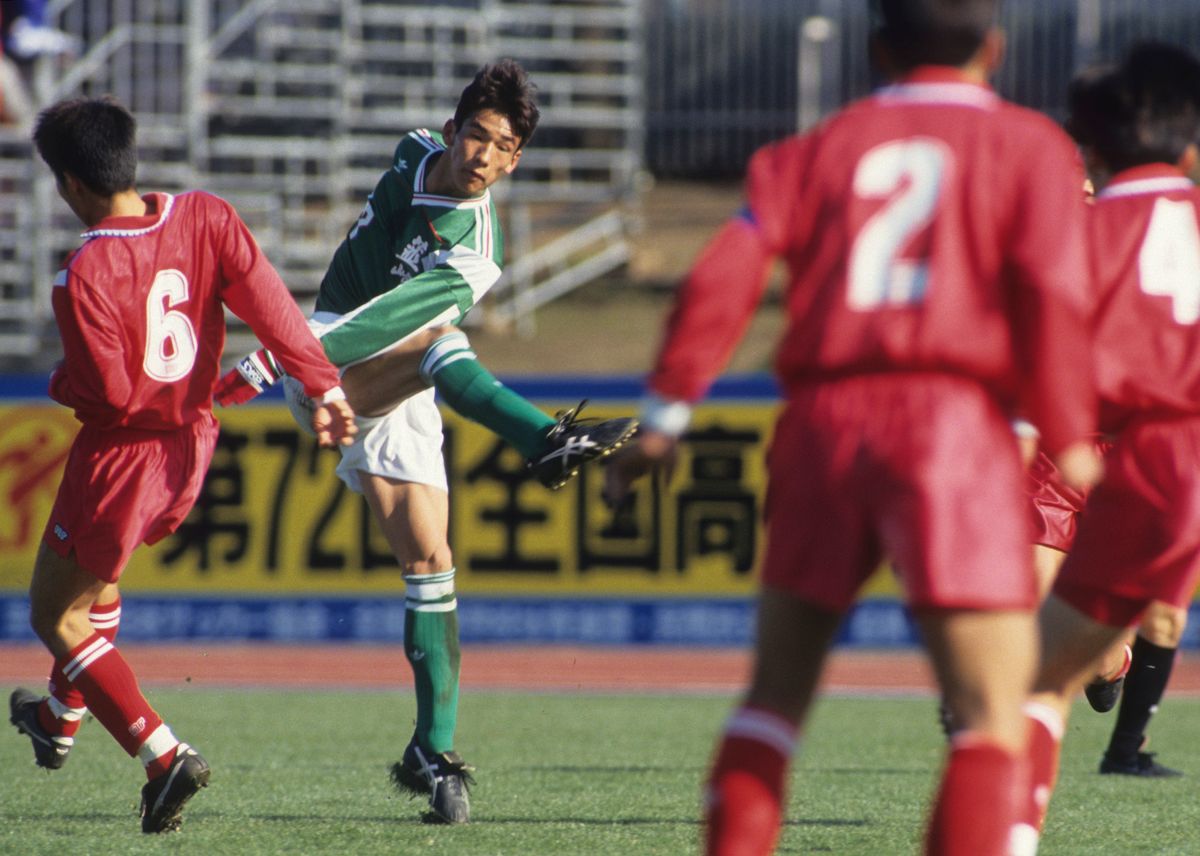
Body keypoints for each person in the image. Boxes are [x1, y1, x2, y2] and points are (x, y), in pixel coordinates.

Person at [605, 1, 1102, 853]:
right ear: (994, 48)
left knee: (774, 701)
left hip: (825, 421)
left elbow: (726, 272)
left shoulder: (814, 150)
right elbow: (1053, 299)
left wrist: (666, 411)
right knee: (990, 714)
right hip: (953, 426)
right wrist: (1073, 435)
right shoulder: (1032, 149)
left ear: (876, 49)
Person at [217, 59, 635, 825]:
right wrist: (282, 356)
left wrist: (272, 355)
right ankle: (543, 438)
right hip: (328, 357)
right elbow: (374, 319)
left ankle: (430, 751)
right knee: (442, 341)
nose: (484, 154)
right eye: (476, 133)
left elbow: (399, 313)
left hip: (392, 377)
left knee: (432, 565)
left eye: (503, 146)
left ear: (516, 161)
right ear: (451, 131)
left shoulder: (479, 249)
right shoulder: (413, 152)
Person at [7, 95, 356, 834]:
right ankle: (60, 716)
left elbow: (107, 396)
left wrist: (60, 383)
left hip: (121, 461)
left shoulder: (83, 274)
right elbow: (273, 309)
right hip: (192, 446)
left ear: (70, 184)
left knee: (51, 613)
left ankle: (162, 756)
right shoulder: (205, 216)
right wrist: (321, 384)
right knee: (98, 585)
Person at [1014, 42, 1200, 850]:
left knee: (1035, 669)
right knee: (1054, 637)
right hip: (1167, 457)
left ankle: (1010, 813)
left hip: (1110, 444)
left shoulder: (1093, 230)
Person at [1027, 446, 1186, 778]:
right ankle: (1011, 763)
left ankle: (1114, 669)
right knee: (1037, 629)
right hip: (1054, 462)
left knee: (1100, 663)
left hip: (1133, 471)